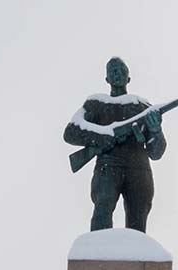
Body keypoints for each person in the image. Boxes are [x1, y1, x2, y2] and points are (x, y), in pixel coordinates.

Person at [63, 57, 167, 232]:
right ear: (106, 79)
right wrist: (103, 136)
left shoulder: (142, 106)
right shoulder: (96, 104)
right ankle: (97, 253)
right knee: (102, 213)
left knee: (138, 223)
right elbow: (71, 132)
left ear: (129, 77)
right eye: (112, 71)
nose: (117, 73)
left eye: (121, 70)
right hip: (107, 167)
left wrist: (156, 130)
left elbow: (156, 152)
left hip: (139, 169)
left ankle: (137, 256)